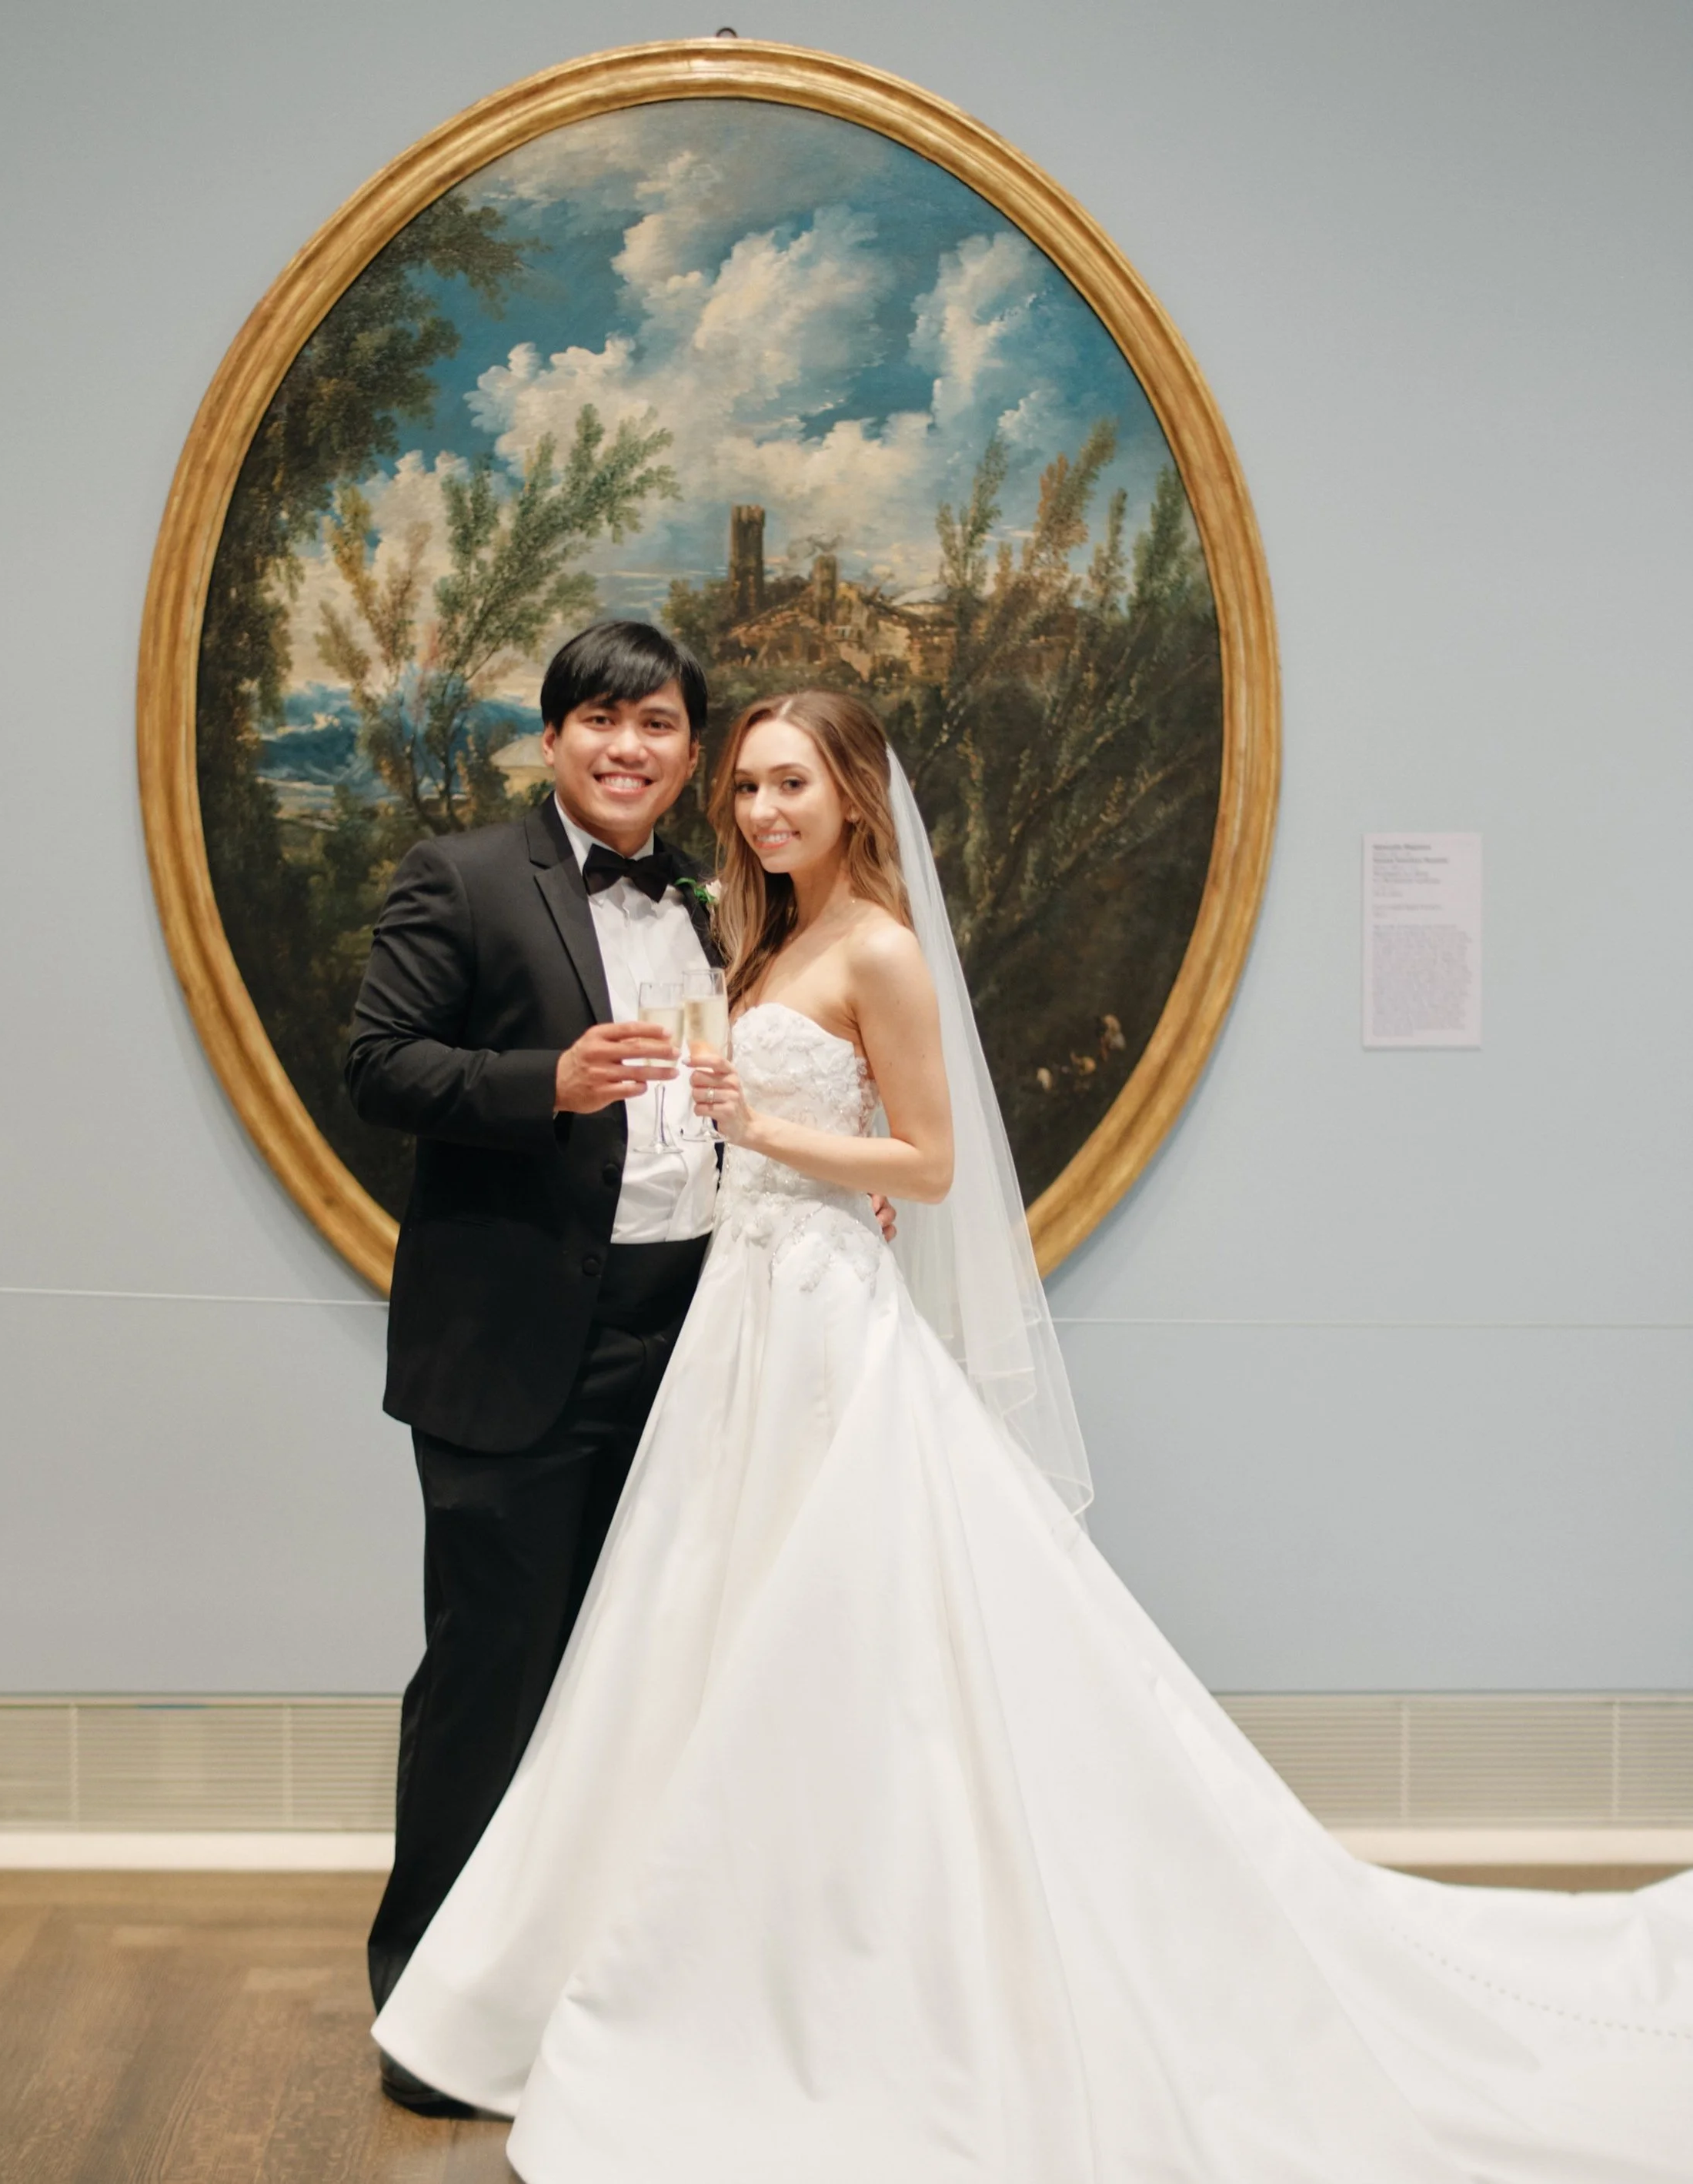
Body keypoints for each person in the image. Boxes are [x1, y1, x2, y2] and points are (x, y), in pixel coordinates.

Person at [372, 689, 1693, 2178]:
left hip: (822, 1324)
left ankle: (874, 1978)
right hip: (736, 1326)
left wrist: (777, 1134)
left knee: (857, 1648)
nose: (758, 810)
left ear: (857, 796)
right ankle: (697, 1944)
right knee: (701, 1636)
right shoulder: (759, 935)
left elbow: (928, 1163)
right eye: (744, 785)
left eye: (788, 782)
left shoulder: (873, 944)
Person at [346, 623, 882, 2105]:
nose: (626, 747)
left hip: (699, 1331)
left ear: (686, 751)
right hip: (513, 1344)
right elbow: (378, 1062)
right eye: (598, 719)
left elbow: (763, 1086)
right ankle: (424, 2007)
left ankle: (583, 1987)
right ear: (554, 737)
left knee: (637, 1677)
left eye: (655, 723)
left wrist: (849, 1176)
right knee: (489, 1672)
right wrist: (544, 1082)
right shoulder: (458, 876)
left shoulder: (728, 906)